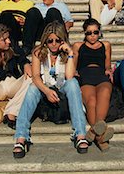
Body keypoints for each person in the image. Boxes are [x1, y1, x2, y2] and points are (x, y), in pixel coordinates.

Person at [13, 21, 88, 157]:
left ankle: (80, 134)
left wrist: (70, 53)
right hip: (45, 88)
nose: (53, 44)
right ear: (45, 41)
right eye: (50, 40)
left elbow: (69, 76)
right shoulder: (38, 52)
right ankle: (21, 137)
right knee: (32, 87)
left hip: (62, 88)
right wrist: (47, 91)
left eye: (57, 40)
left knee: (73, 83)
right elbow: (36, 76)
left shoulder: (68, 53)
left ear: (63, 40)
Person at [73, 19, 114, 151]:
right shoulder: (78, 45)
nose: (92, 35)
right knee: (91, 101)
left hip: (101, 75)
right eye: (89, 33)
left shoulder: (106, 45)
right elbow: (73, 66)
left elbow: (107, 64)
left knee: (105, 93)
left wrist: (108, 70)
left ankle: (93, 132)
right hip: (85, 75)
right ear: (84, 33)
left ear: (99, 33)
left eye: (95, 32)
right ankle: (100, 138)